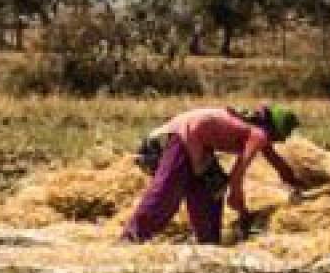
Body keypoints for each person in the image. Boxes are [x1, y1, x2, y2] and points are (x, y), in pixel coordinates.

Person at [123, 104, 305, 245]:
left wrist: (299, 183)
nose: (283, 140)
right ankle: (132, 237)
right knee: (167, 192)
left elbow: (277, 163)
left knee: (213, 188)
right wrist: (239, 202)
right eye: (284, 135)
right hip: (183, 136)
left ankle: (208, 241)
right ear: (276, 130)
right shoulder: (259, 135)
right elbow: (238, 172)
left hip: (198, 144)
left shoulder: (255, 131)